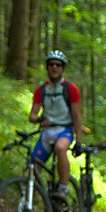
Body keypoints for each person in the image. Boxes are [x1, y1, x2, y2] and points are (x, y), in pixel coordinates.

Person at [28, 50, 83, 200]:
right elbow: (32, 116)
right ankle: (27, 204)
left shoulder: (70, 88)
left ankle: (63, 187)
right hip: (47, 132)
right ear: (47, 67)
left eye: (58, 65)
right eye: (51, 64)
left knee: (60, 148)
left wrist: (78, 141)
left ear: (63, 68)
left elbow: (77, 116)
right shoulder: (41, 90)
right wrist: (40, 120)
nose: (54, 67)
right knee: (33, 168)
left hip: (65, 130)